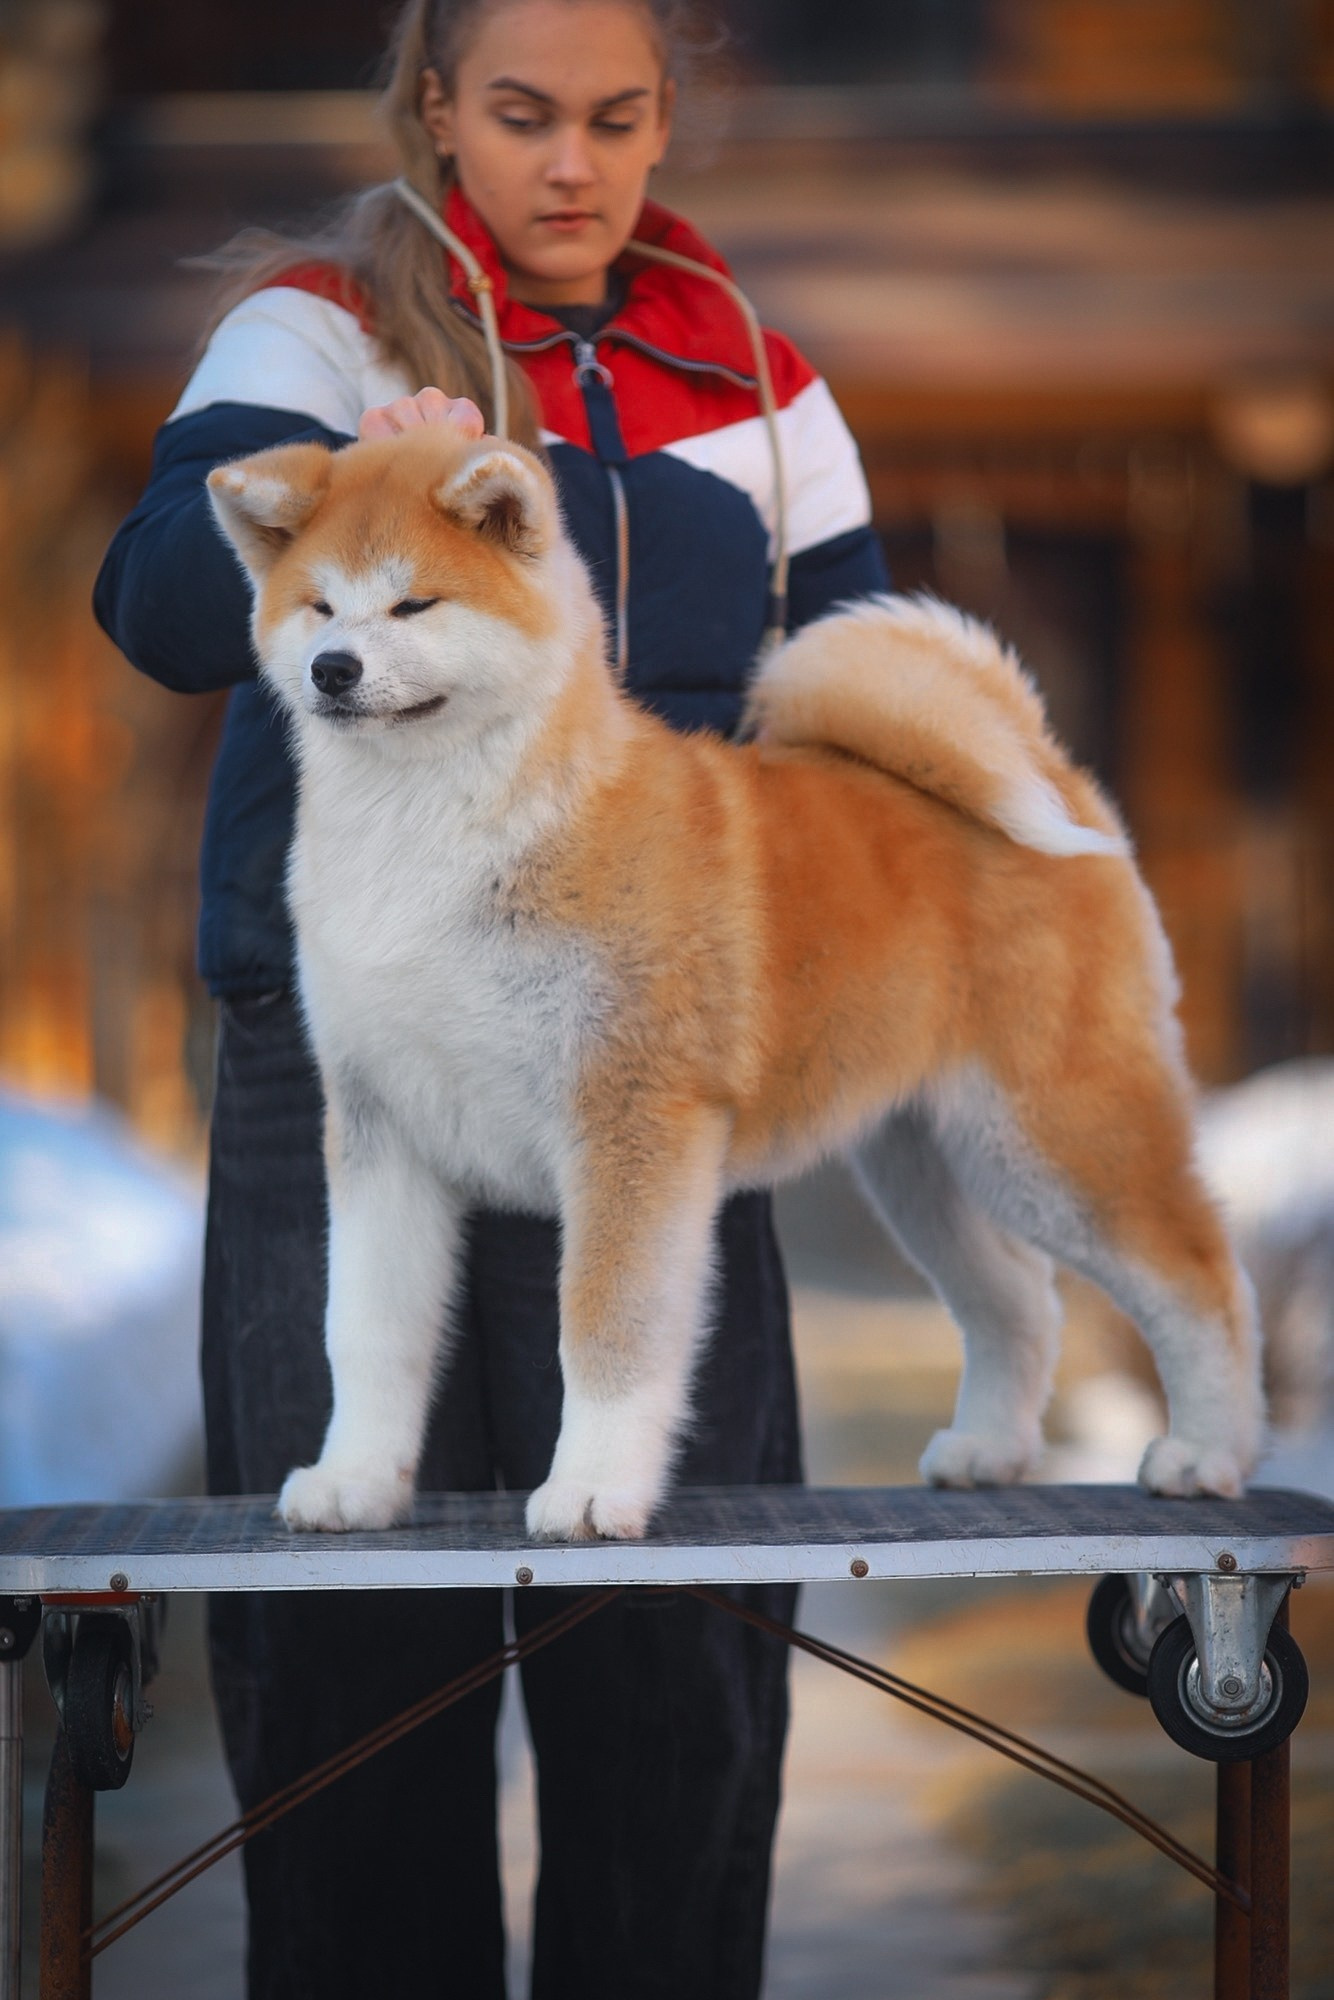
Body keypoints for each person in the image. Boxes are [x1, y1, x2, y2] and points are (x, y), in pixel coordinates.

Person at [94, 3, 889, 1995]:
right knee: (353, 1633)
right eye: (521, 115)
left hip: (653, 1057)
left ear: (665, 116)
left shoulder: (761, 380)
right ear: (433, 105)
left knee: (674, 1644)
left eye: (617, 119)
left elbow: (861, 721)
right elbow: (164, 608)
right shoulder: (311, 327)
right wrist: (367, 472)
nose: (572, 167)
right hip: (349, 1058)